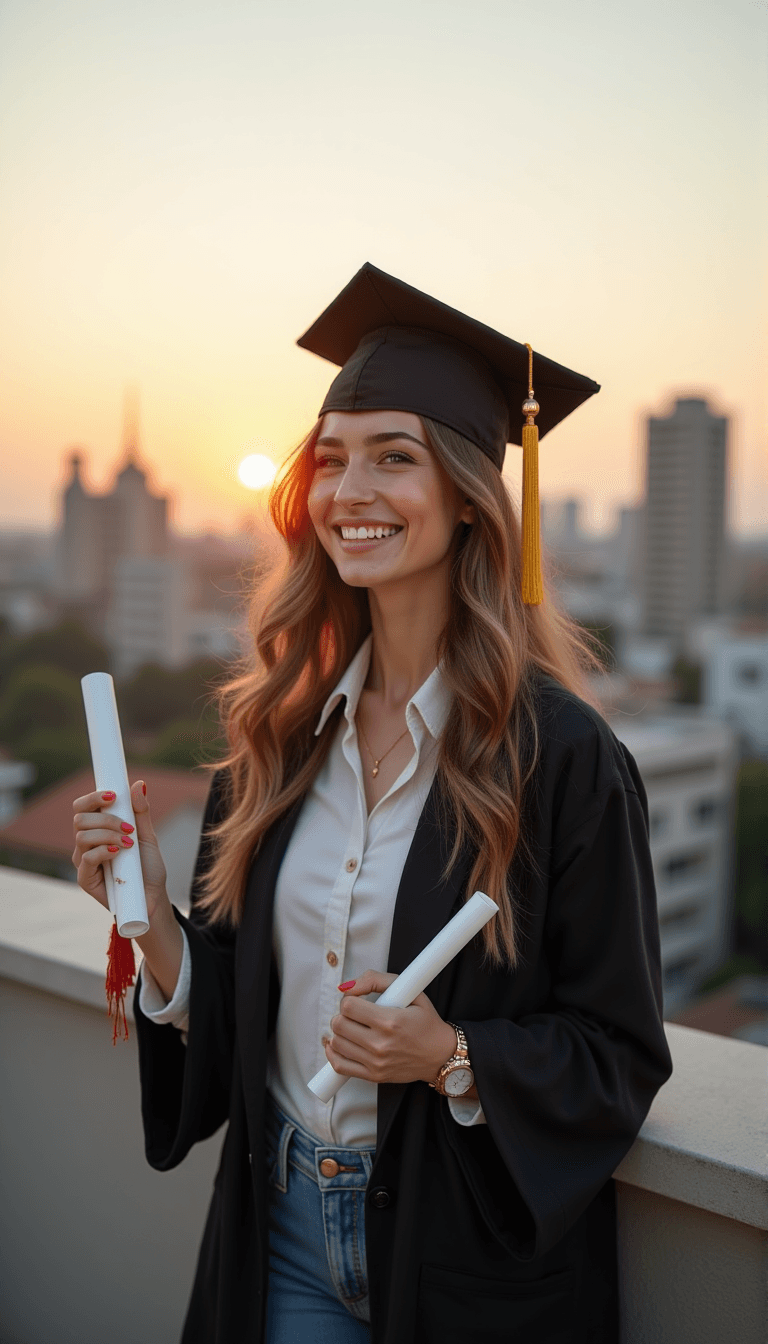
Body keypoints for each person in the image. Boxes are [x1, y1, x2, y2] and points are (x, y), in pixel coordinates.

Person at [72, 263, 673, 1344]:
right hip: (283, 1226)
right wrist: (153, 920)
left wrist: (448, 1055)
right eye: (333, 459)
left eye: (395, 458)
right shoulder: (278, 735)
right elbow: (248, 1016)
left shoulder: (563, 758)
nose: (351, 492)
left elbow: (619, 1051)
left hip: (465, 1258)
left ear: (468, 495)